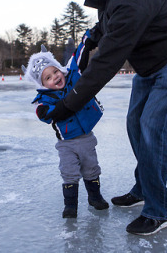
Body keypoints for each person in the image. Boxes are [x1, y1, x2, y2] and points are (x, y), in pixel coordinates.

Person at [45, 0, 167, 235]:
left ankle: (159, 210)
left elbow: (106, 63)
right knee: (135, 124)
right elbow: (110, 20)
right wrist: (95, 34)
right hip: (151, 57)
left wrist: (68, 104)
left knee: (152, 126)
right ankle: (145, 187)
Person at [22, 36, 109, 219]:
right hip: (66, 144)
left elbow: (78, 56)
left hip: (86, 138)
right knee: (69, 173)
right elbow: (43, 114)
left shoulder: (73, 79)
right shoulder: (45, 99)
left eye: (55, 72)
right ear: (43, 84)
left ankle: (95, 197)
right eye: (48, 77)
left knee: (91, 168)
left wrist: (89, 36)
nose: (55, 77)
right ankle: (70, 205)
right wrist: (55, 109)